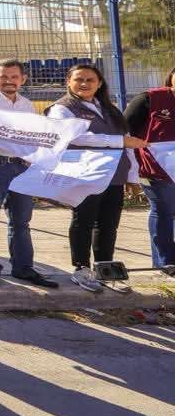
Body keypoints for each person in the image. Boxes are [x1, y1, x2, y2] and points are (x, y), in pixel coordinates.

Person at [47, 64, 146, 293]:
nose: (84, 84)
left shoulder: (110, 109)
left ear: (99, 83)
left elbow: (128, 143)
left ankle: (104, 268)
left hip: (113, 175)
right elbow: (77, 137)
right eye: (78, 79)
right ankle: (81, 268)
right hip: (83, 175)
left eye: (90, 80)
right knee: (83, 220)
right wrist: (117, 142)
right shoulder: (62, 109)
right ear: (68, 82)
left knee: (108, 224)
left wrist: (132, 175)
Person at [0, 59, 57, 287]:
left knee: (21, 221)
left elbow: (31, 136)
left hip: (21, 166)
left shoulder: (27, 105)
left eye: (14, 77)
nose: (9, 81)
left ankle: (23, 268)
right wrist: (14, 141)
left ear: (22, 79)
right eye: (3, 76)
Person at [125, 65, 175, 271]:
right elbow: (123, 131)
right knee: (163, 211)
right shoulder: (149, 99)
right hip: (154, 168)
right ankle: (165, 263)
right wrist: (129, 171)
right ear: (171, 76)